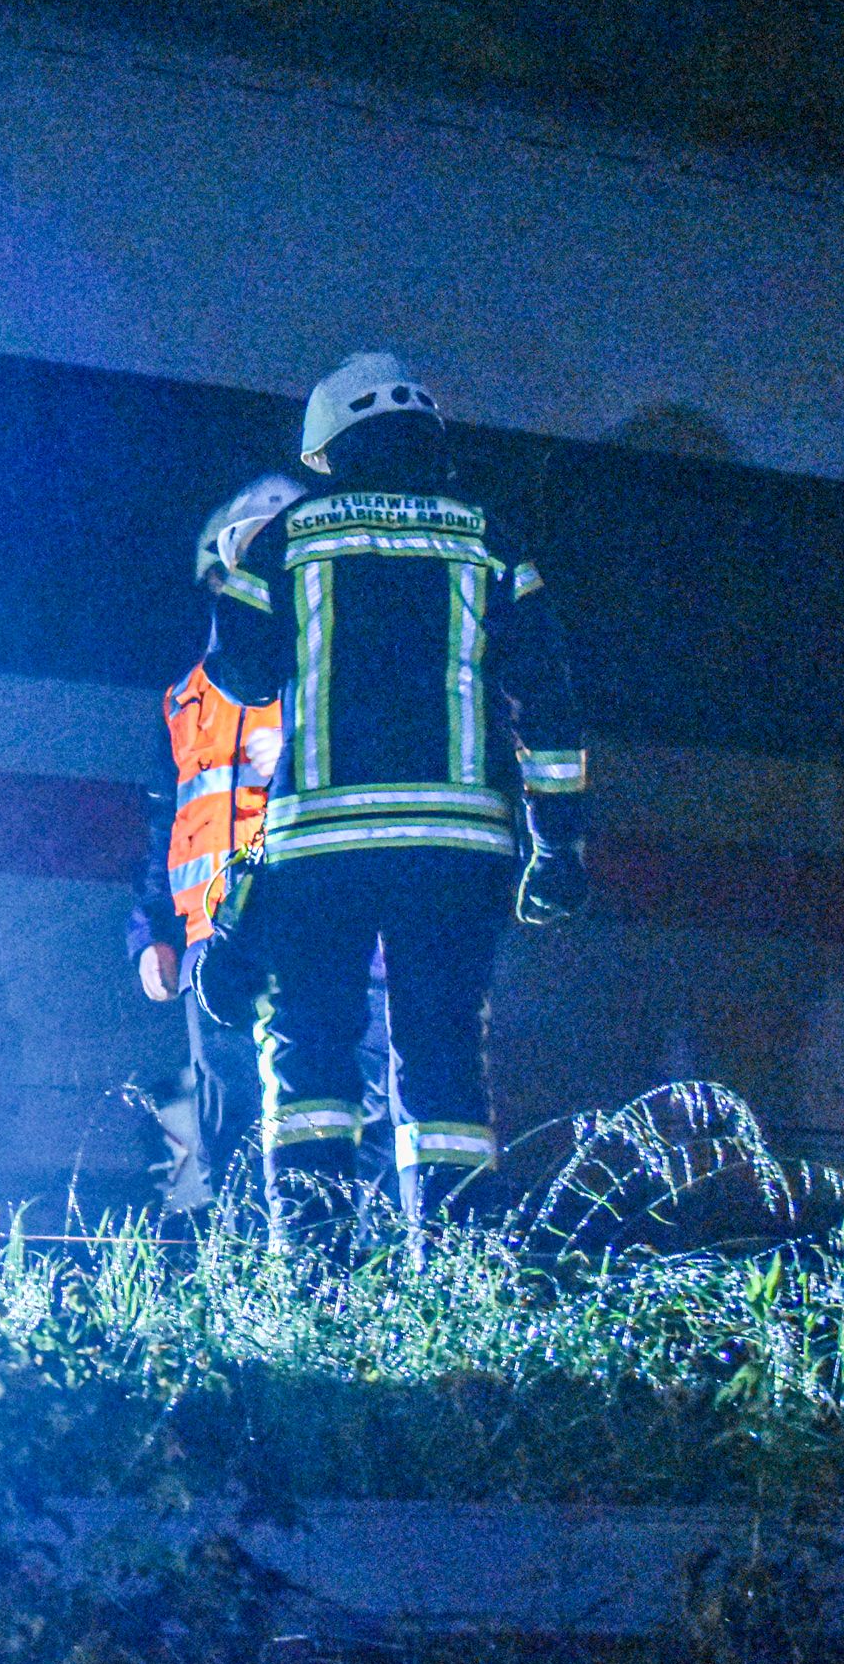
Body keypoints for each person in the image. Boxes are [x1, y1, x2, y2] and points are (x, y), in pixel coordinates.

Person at [204, 352, 591, 1240]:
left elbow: (243, 676)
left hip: (321, 852)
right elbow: (550, 696)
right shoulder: (492, 538)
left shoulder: (292, 534)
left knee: (311, 1062)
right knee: (445, 1056)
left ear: (330, 443)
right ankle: (456, 1276)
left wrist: (235, 571)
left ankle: (312, 1273)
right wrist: (558, 843)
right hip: (458, 849)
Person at [130, 475, 298, 1214]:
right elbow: (165, 829)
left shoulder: (319, 676)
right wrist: (152, 934)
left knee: (314, 1111)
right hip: (209, 949)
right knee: (229, 1128)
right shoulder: (182, 701)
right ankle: (243, 1276)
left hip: (304, 932)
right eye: (230, 577)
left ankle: (337, 1276)